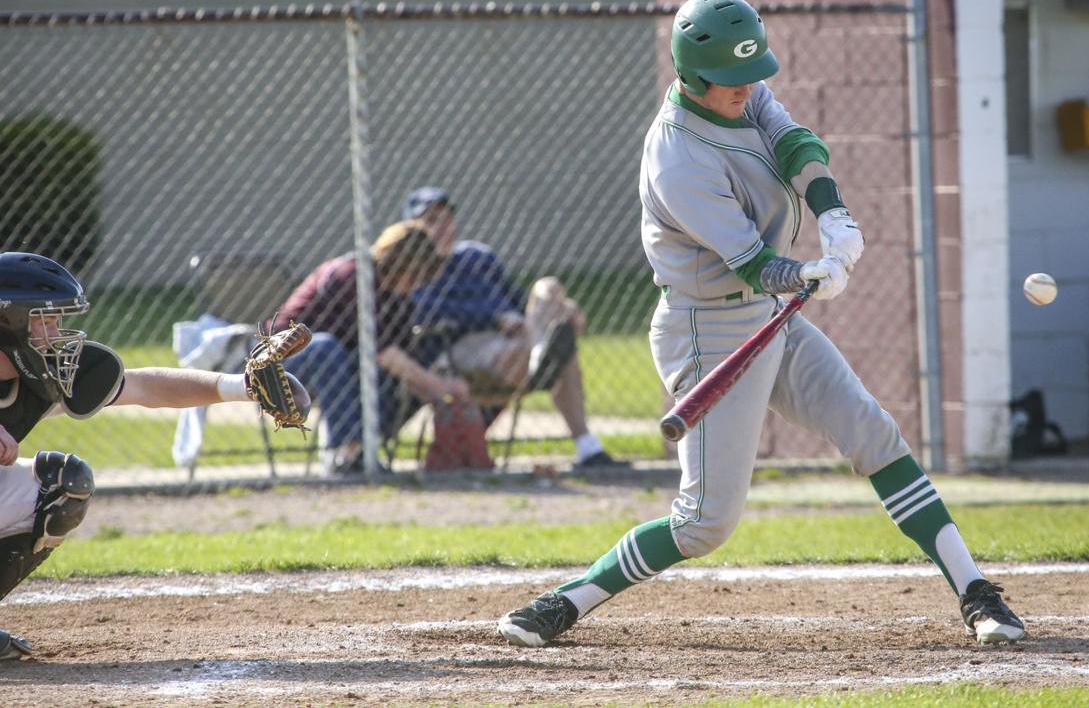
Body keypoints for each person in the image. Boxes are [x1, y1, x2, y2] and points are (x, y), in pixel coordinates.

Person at [497, 0, 1025, 648]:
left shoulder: (742, 90)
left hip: (768, 314)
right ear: (691, 77)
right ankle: (564, 601)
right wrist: (806, 273)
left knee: (872, 431)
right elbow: (751, 262)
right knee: (704, 523)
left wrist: (833, 213)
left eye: (752, 75)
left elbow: (793, 140)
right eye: (730, 81)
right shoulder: (678, 157)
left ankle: (977, 592)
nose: (747, 88)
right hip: (708, 326)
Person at [0, 251, 311, 660]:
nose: (57, 332)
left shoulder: (43, 377)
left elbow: (146, 387)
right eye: (44, 320)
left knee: (62, 486)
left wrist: (243, 387)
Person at [402, 186, 622, 470]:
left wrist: (562, 310)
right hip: (461, 348)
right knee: (558, 352)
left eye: (446, 219)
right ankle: (542, 357)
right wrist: (495, 318)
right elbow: (425, 314)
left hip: (515, 341)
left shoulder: (477, 256)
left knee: (548, 287)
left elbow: (518, 301)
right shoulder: (414, 269)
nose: (442, 228)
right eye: (431, 221)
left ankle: (585, 443)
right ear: (413, 229)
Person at [273, 221, 455, 475]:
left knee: (390, 372)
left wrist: (442, 396)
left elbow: (400, 355)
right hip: (284, 361)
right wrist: (442, 388)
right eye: (414, 275)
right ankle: (347, 452)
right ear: (397, 264)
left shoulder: (397, 297)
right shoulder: (353, 276)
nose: (417, 284)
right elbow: (384, 352)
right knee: (327, 348)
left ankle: (364, 451)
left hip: (338, 370)